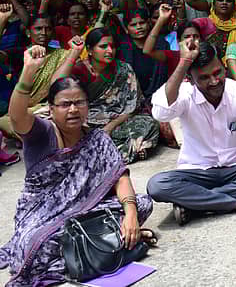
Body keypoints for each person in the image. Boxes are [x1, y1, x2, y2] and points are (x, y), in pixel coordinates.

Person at [0, 47, 154, 286]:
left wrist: (131, 215)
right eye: (65, 104)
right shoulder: (42, 132)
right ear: (51, 109)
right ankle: (107, 243)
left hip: (87, 210)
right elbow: (17, 116)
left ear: (87, 106)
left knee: (142, 204)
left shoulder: (97, 139)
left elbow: (120, 177)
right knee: (33, 248)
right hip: (44, 217)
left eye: (79, 102)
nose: (73, 109)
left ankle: (101, 243)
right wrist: (28, 71)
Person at [147, 40, 236, 225]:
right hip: (197, 173)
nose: (214, 81)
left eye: (217, 73)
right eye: (204, 78)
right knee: (157, 185)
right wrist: (183, 62)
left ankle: (196, 203)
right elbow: (160, 112)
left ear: (224, 68)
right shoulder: (184, 94)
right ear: (190, 79)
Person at [52, 29, 160, 163]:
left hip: (117, 122)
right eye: (103, 46)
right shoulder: (80, 70)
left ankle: (104, 154)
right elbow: (55, 85)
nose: (109, 51)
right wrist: (75, 52)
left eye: (112, 46)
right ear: (90, 50)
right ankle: (127, 149)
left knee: (148, 123)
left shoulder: (123, 69)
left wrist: (109, 127)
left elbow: (132, 106)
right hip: (86, 124)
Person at [0, 11, 69, 138]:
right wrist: (2, 21)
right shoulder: (19, 53)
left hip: (44, 108)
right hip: (18, 107)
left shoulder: (62, 55)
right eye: (38, 29)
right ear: (28, 32)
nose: (43, 32)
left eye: (48, 29)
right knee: (4, 122)